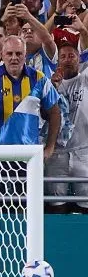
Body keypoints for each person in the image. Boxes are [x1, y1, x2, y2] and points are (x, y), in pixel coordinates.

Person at [0, 35, 60, 156]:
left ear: (25, 55)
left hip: (29, 155)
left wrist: (49, 147)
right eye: (9, 53)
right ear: (2, 55)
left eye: (18, 54)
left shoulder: (39, 79)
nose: (14, 58)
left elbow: (55, 113)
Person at [47, 41, 88, 210]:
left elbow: (85, 40)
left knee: (86, 204)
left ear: (79, 59)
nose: (67, 60)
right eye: (63, 57)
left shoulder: (85, 79)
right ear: (57, 62)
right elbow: (43, 115)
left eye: (71, 56)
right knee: (56, 205)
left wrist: (82, 31)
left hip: (83, 151)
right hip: (56, 153)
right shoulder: (48, 84)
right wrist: (53, 88)